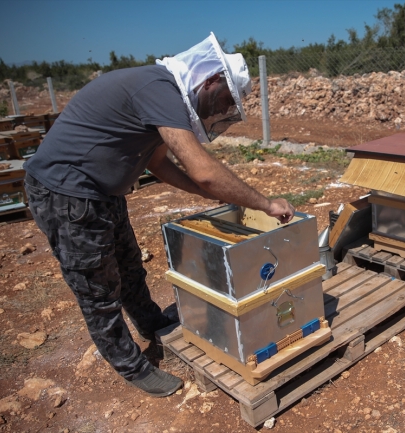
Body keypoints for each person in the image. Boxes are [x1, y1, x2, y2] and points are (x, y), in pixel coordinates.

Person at [23, 33, 295, 397]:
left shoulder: (163, 94)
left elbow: (157, 164)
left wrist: (207, 191)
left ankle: (150, 322)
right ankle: (131, 365)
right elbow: (204, 171)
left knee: (129, 265)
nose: (220, 109)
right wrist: (264, 203)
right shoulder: (159, 88)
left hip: (102, 192)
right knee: (97, 286)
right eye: (225, 100)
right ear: (210, 80)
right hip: (67, 193)